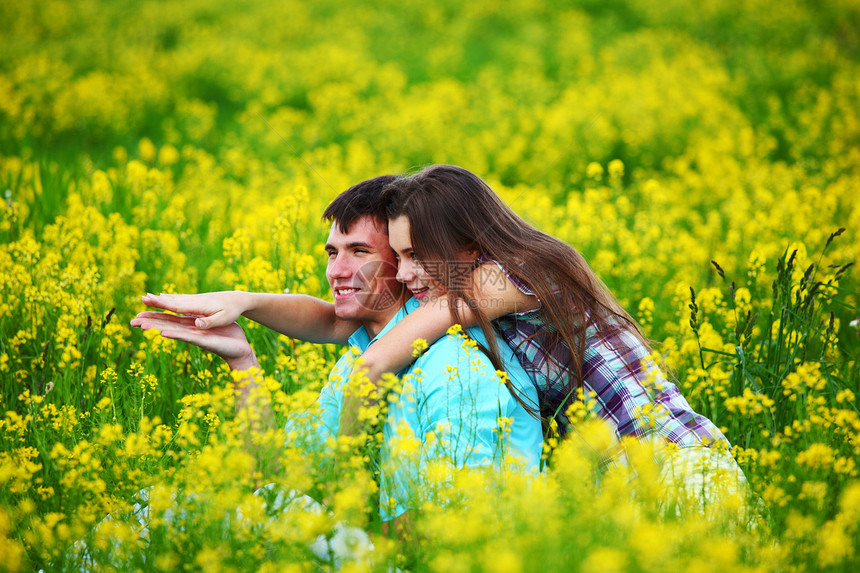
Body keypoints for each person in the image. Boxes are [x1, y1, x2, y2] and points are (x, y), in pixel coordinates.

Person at [131, 174, 543, 531]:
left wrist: (335, 523)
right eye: (332, 252)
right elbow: (274, 482)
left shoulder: (453, 360)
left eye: (359, 252)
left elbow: (449, 529)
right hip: (379, 549)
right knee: (157, 509)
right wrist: (242, 363)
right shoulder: (357, 361)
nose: (336, 271)